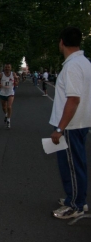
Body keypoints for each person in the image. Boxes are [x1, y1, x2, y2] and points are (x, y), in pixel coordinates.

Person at [49, 27, 91, 219]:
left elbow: (73, 99)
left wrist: (60, 128)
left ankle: (75, 205)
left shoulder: (72, 66)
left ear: (61, 42)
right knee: (77, 164)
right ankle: (73, 198)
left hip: (70, 126)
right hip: (79, 123)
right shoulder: (84, 63)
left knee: (72, 166)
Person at [0, 64, 19, 129]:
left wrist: (16, 80)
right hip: (3, 92)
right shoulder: (1, 75)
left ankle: (8, 120)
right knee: (4, 107)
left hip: (10, 92)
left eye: (8, 67)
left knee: (9, 106)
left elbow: (16, 83)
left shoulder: (13, 74)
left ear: (10, 68)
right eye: (6, 67)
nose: (7, 68)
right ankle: (6, 114)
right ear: (4, 68)